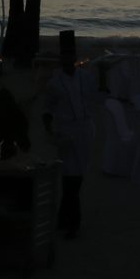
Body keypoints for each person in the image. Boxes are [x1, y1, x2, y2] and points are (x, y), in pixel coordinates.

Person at [41, 30, 95, 238]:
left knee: (76, 177)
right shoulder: (55, 83)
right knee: (70, 177)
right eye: (64, 56)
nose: (67, 60)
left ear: (74, 58)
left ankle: (64, 218)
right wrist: (48, 127)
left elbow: (98, 91)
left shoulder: (85, 77)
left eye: (70, 56)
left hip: (85, 131)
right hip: (66, 132)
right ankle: (73, 222)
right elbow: (47, 108)